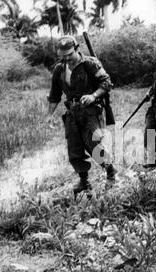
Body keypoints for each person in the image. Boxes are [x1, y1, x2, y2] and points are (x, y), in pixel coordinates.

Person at [47, 35, 116, 194]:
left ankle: (111, 172)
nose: (66, 58)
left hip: (91, 111)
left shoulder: (90, 63)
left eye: (69, 54)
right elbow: (54, 95)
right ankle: (84, 181)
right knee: (74, 148)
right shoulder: (59, 69)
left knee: (94, 144)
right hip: (72, 112)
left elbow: (106, 83)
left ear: (77, 49)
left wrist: (93, 96)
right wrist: (49, 115)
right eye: (62, 56)